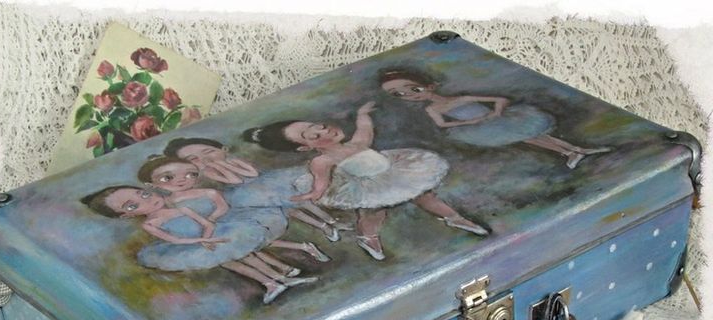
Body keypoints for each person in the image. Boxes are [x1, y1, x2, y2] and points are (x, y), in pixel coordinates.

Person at [243, 101, 488, 261]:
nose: (326, 131)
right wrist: (311, 195)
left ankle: (454, 217)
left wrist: (362, 114)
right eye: (315, 136)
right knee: (374, 212)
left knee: (424, 195)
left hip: (396, 171)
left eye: (321, 126)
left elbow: (365, 130)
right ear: (304, 148)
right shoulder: (322, 160)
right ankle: (367, 236)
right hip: (369, 186)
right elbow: (321, 183)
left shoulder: (356, 144)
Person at [81, 186, 320, 304]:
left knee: (246, 253)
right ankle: (271, 282)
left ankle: (279, 278)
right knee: (232, 261)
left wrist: (209, 235)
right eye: (133, 206)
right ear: (126, 216)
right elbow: (174, 240)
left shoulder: (179, 207)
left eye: (142, 193)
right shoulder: (150, 224)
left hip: (217, 232)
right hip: (197, 243)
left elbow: (205, 221)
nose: (147, 200)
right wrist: (200, 242)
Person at [378, 67, 611, 169]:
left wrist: (497, 113)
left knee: (535, 135)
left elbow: (500, 99)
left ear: (429, 85)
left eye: (414, 89)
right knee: (532, 137)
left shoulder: (461, 98)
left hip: (499, 120)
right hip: (483, 126)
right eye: (399, 95)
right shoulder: (432, 109)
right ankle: (573, 151)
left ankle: (574, 151)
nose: (410, 95)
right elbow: (443, 124)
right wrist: (469, 123)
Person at [137, 155, 331, 263]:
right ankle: (304, 248)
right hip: (208, 227)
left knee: (255, 240)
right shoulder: (167, 201)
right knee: (251, 246)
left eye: (190, 174)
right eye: (167, 178)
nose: (181, 180)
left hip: (230, 217)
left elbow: (222, 206)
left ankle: (310, 242)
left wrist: (212, 220)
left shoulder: (207, 191)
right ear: (152, 184)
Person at [163, 138, 351, 242]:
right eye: (193, 159)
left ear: (223, 149)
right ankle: (322, 226)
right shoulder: (208, 172)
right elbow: (234, 182)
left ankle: (331, 221)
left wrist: (226, 166)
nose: (205, 160)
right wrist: (218, 168)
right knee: (289, 211)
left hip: (268, 183)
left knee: (300, 200)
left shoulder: (233, 160)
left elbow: (251, 174)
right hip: (247, 195)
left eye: (208, 152)